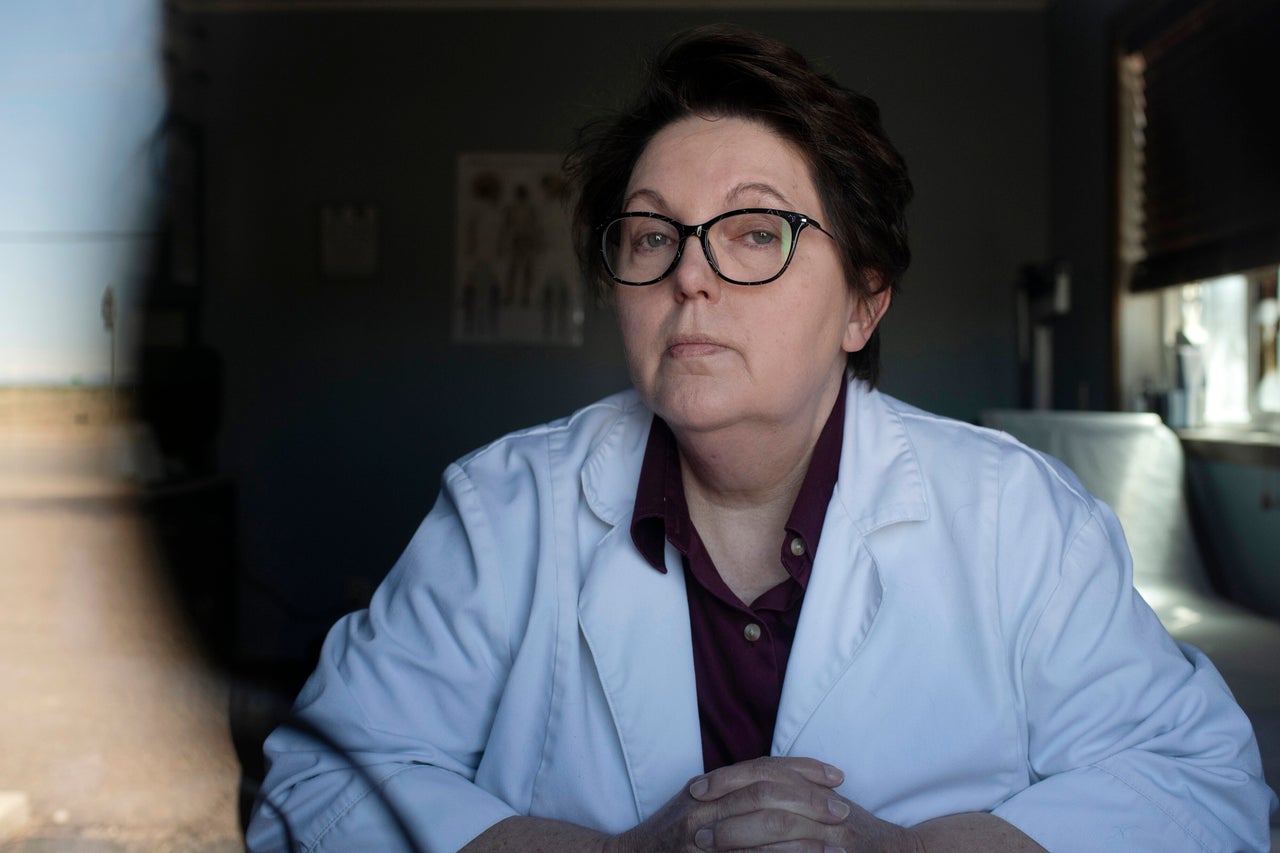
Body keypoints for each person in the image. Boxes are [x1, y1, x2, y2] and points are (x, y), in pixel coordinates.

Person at [246, 25, 1276, 853]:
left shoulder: (1018, 518)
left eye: (754, 232)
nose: (687, 275)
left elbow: (1204, 790)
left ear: (861, 306)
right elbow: (314, 786)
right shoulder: (502, 509)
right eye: (651, 235)